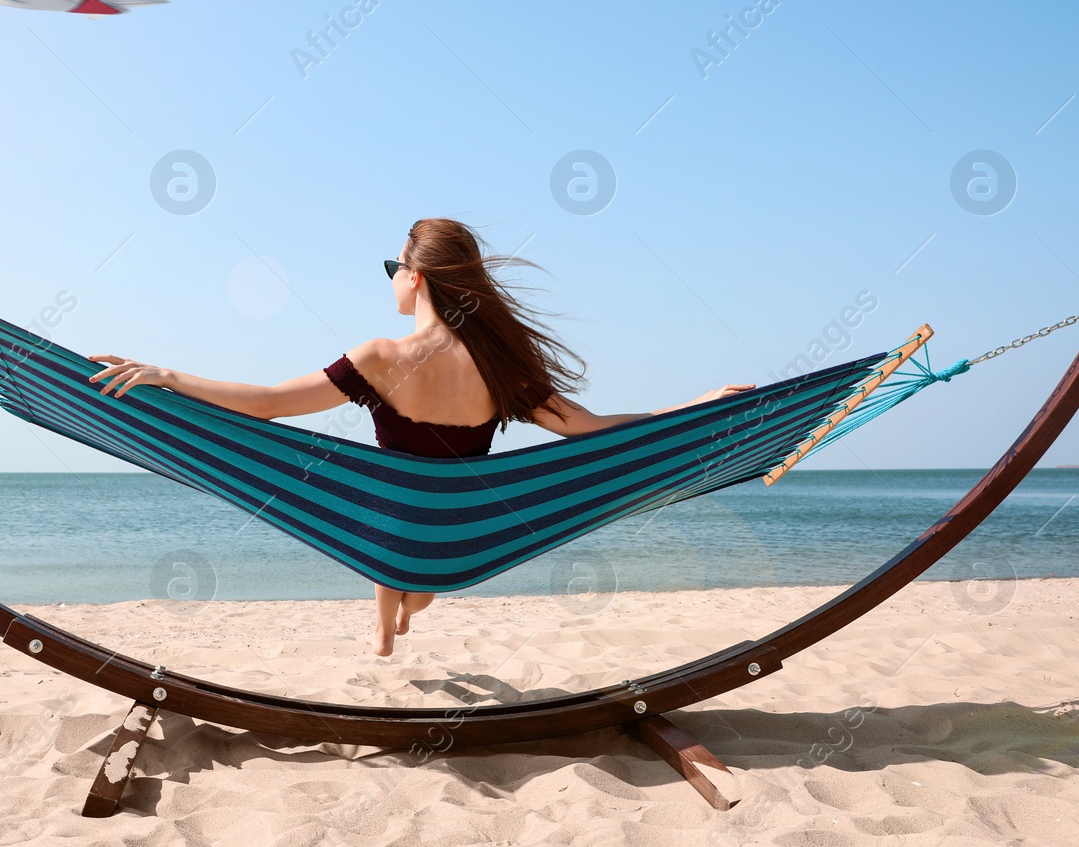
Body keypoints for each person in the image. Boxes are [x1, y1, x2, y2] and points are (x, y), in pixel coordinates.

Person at [88, 218, 753, 656]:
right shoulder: (502, 366)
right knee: (413, 530)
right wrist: (693, 407)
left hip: (388, 535)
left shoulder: (381, 355)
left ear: (418, 275)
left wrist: (168, 374)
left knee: (386, 497)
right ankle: (397, 620)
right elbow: (595, 430)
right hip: (456, 549)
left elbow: (265, 406)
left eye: (394, 267)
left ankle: (384, 628)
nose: (393, 279)